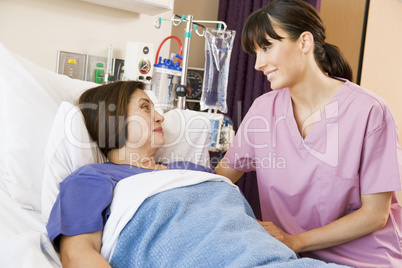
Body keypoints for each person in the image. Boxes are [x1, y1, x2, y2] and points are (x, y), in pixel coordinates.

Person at [46, 81, 348, 268]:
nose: (160, 116)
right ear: (114, 118)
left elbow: (231, 221)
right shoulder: (92, 179)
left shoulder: (192, 172)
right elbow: (77, 255)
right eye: (145, 107)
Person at [215, 0, 402, 267]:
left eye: (267, 47)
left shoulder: (369, 111)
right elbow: (221, 178)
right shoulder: (262, 111)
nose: (258, 64)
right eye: (255, 52)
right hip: (289, 258)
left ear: (304, 43)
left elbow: (375, 214)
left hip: (363, 258)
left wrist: (295, 240)